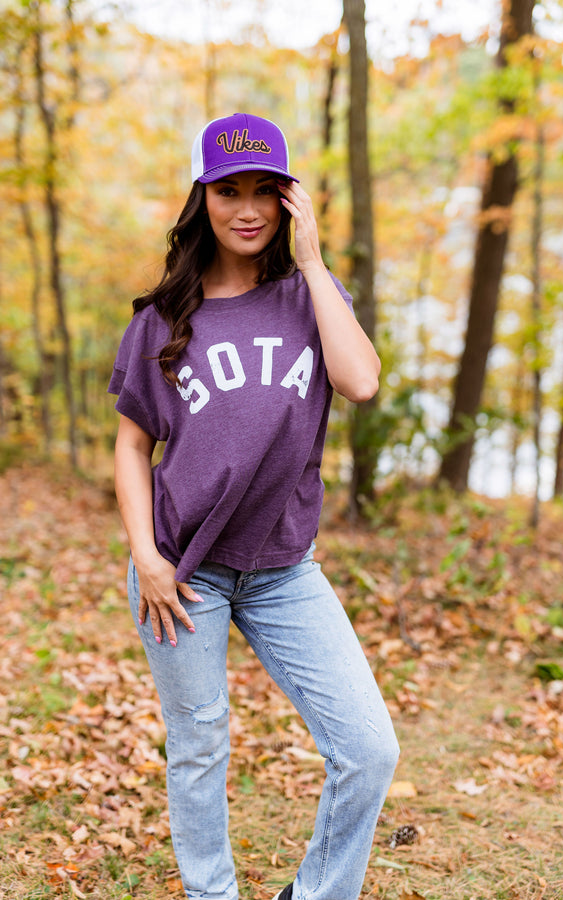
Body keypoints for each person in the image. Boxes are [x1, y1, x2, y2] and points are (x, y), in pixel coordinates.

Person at [109, 112, 399, 900]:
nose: (246, 207)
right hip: (183, 570)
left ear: (288, 198)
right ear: (201, 198)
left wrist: (310, 263)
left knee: (369, 749)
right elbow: (133, 448)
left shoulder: (311, 297)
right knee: (199, 747)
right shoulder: (160, 319)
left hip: (283, 569)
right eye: (227, 189)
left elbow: (362, 381)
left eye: (264, 191)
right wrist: (147, 557)